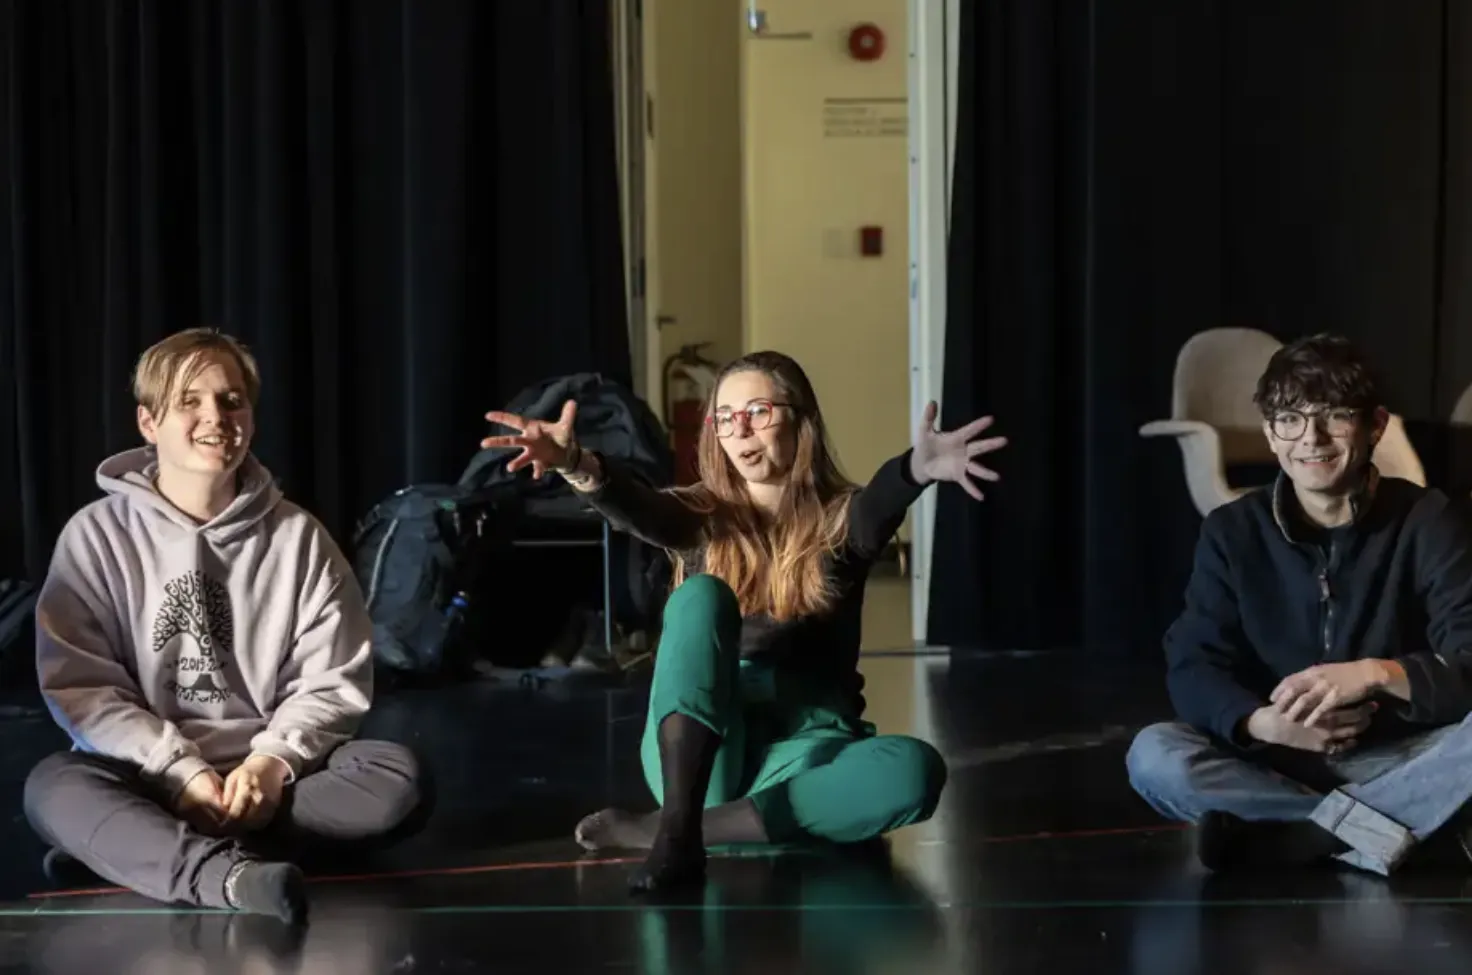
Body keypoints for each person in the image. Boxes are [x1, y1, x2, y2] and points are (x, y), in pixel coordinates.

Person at [481, 350, 1008, 891]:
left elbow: (875, 507)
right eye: (725, 417)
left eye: (758, 411)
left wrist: (913, 471)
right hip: (703, 756)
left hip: (805, 749)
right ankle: (697, 820)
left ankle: (674, 832)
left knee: (912, 771)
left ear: (799, 420)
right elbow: (639, 508)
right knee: (701, 595)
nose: (740, 429)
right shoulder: (697, 516)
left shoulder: (838, 523)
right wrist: (578, 464)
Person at [23, 328, 424, 924]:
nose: (216, 416)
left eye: (231, 400)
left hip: (271, 779)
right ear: (148, 423)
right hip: (146, 773)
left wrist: (269, 765)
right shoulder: (95, 535)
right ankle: (230, 876)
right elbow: (82, 689)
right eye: (190, 400)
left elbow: (331, 680)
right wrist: (180, 773)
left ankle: (137, 849)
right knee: (53, 788)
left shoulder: (299, 538)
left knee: (396, 780)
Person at [1127, 333, 1472, 875]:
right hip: (1274, 759)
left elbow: (1469, 659)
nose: (1311, 439)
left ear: (1375, 425)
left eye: (1335, 417)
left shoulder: (1428, 520)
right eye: (1290, 419)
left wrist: (1374, 673)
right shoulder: (1232, 531)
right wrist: (1262, 724)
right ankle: (1386, 833)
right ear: (1270, 432)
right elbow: (1194, 663)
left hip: (1404, 755)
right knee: (1154, 754)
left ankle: (1299, 838)